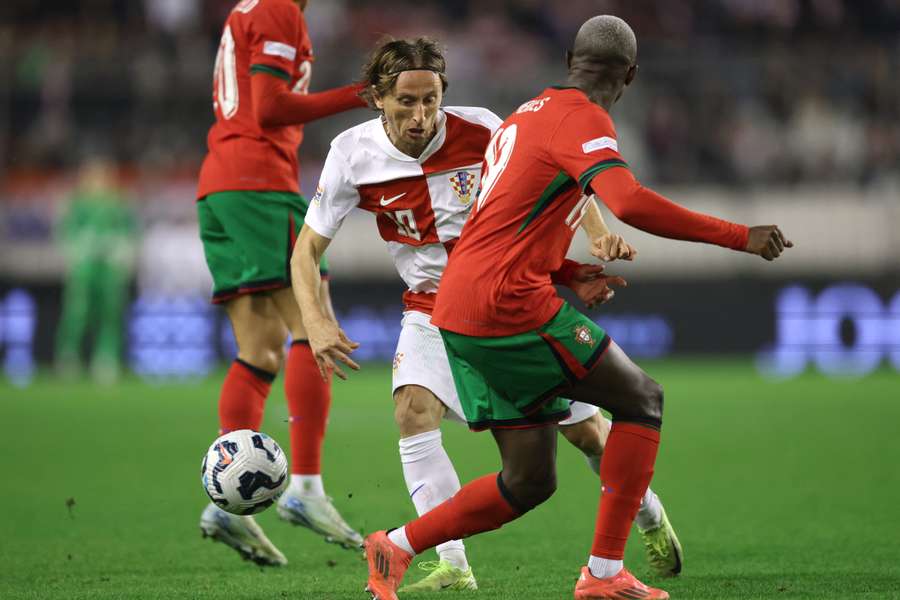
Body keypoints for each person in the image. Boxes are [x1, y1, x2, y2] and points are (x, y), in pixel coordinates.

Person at [353, 16, 793, 600]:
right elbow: (628, 202)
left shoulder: (524, 115)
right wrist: (742, 236)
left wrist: (565, 271)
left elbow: (499, 224)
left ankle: (397, 545)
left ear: (568, 59)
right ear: (630, 75)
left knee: (528, 480)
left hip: (459, 309)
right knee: (642, 399)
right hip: (508, 305)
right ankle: (604, 575)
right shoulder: (582, 118)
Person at [291, 37, 681, 592]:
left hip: (503, 302)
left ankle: (648, 515)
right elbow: (305, 249)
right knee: (412, 410)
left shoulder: (483, 128)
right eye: (406, 102)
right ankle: (452, 561)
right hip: (429, 307)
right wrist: (316, 321)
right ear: (379, 98)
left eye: (431, 100)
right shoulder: (351, 154)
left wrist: (594, 235)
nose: (421, 115)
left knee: (589, 434)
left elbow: (562, 166)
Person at [195, 0, 368, 566]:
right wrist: (358, 95)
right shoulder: (276, 8)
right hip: (258, 182)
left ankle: (227, 509)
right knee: (313, 323)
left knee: (259, 350)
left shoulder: (250, 8)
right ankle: (307, 490)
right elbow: (269, 108)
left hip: (221, 184)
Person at [55, 157, 138, 384]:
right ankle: (69, 355)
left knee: (110, 313)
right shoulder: (78, 203)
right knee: (78, 312)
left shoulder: (118, 202)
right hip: (85, 267)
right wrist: (79, 248)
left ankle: (106, 358)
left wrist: (120, 250)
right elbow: (68, 232)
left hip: (109, 268)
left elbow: (129, 231)